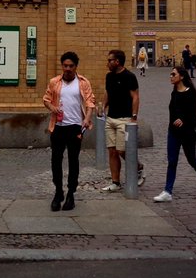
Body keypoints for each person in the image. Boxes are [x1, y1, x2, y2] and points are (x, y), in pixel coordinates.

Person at [42, 51, 95, 211]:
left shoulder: (83, 83)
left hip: (75, 127)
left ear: (76, 66)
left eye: (71, 66)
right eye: (65, 65)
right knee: (56, 161)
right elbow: (46, 99)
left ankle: (71, 193)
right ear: (62, 66)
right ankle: (58, 192)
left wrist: (86, 119)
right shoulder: (54, 82)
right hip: (58, 127)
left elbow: (90, 101)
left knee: (73, 160)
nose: (68, 68)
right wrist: (53, 107)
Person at [152, 66, 196, 203]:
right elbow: (172, 111)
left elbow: (192, 114)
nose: (171, 76)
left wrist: (182, 119)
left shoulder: (191, 93)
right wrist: (175, 120)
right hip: (173, 132)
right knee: (172, 161)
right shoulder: (174, 93)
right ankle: (167, 191)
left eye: (173, 74)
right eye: (170, 74)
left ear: (182, 76)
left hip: (188, 132)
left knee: (192, 160)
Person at [101, 49, 144, 192]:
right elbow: (108, 92)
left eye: (109, 60)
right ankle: (115, 182)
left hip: (124, 119)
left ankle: (138, 168)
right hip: (111, 118)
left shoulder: (129, 76)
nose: (107, 63)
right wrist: (103, 106)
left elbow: (135, 97)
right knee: (112, 151)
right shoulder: (109, 76)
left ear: (117, 61)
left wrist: (134, 117)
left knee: (122, 150)